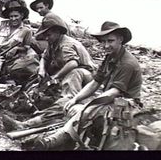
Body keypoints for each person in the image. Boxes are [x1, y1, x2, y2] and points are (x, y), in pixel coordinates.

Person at [33, 21, 143, 150]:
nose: (106, 45)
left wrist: (90, 105)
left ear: (121, 40)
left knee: (87, 111)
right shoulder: (110, 58)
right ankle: (32, 123)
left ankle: (54, 140)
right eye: (103, 41)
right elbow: (95, 82)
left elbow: (114, 92)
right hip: (110, 99)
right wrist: (76, 98)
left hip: (126, 104)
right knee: (69, 103)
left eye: (110, 41)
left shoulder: (127, 63)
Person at [3, 17, 96, 131]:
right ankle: (27, 102)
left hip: (83, 76)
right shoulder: (54, 42)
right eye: (45, 35)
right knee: (38, 80)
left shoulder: (66, 44)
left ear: (58, 32)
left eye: (49, 35)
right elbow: (44, 57)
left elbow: (73, 63)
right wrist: (42, 70)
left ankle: (29, 123)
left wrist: (55, 77)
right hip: (68, 74)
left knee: (66, 98)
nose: (47, 38)